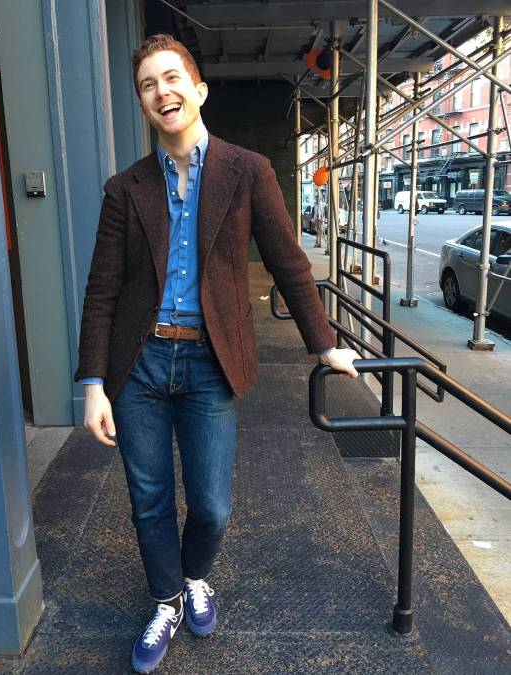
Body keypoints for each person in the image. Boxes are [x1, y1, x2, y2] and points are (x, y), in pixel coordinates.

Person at [74, 33, 359, 674]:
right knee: (149, 500)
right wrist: (93, 382)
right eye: (148, 85)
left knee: (212, 506)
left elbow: (288, 261)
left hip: (210, 362)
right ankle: (166, 600)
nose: (162, 92)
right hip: (139, 365)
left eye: (171, 78)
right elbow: (102, 289)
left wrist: (324, 345)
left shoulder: (247, 170)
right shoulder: (125, 188)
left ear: (198, 90)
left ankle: (194, 574)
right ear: (143, 102)